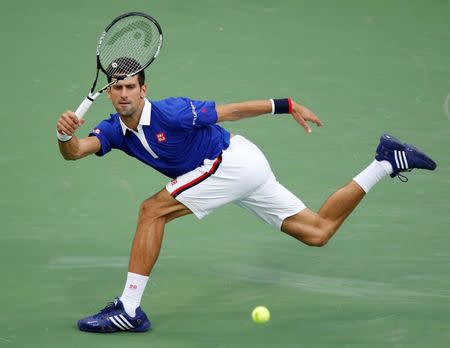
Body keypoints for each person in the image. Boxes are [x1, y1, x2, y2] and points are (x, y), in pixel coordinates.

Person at [56, 63, 436, 333]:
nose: (123, 94)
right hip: (238, 173)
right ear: (108, 91)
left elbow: (230, 112)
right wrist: (64, 136)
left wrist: (285, 104)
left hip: (231, 163)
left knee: (152, 210)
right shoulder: (113, 130)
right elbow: (75, 152)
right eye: (117, 87)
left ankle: (129, 309)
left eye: (130, 87)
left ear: (143, 89)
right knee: (318, 231)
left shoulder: (172, 112)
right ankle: (386, 162)